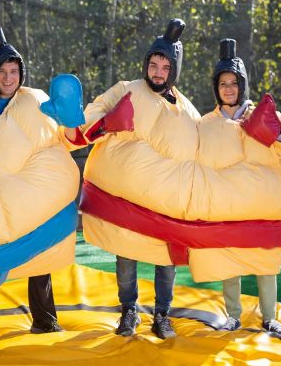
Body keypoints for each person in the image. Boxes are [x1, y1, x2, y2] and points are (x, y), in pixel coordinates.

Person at [65, 19, 198, 340]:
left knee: (166, 259)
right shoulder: (127, 89)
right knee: (126, 255)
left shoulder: (187, 111)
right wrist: (108, 122)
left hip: (165, 204)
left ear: (174, 70)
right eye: (153, 64)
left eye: (165, 67)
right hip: (127, 200)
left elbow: (201, 151)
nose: (157, 71)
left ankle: (162, 315)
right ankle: (129, 311)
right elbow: (91, 115)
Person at [0, 26, 80, 346]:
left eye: (14, 71)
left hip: (33, 196)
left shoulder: (34, 100)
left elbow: (61, 135)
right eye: (3, 71)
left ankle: (44, 320)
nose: (9, 78)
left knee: (39, 256)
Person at [198, 38, 281, 336]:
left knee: (266, 261)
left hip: (263, 206)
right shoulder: (206, 124)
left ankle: (270, 315)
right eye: (223, 83)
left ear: (243, 85)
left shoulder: (259, 113)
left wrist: (272, 129)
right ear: (216, 88)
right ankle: (233, 315)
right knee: (229, 261)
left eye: (234, 82)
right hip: (228, 206)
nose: (229, 88)